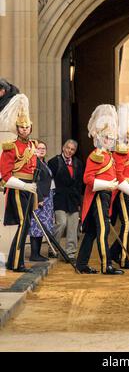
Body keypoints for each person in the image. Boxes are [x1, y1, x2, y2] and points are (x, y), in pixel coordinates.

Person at [76, 104, 123, 275]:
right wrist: (107, 185)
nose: (111, 141)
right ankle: (106, 265)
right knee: (103, 230)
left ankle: (81, 264)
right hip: (97, 196)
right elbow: (87, 179)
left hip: (105, 196)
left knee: (92, 232)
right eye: (109, 138)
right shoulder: (96, 155)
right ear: (102, 138)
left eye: (112, 138)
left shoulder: (108, 156)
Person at [0, 110, 38, 272]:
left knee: (25, 225)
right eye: (21, 127)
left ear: (30, 128)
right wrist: (24, 186)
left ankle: (13, 262)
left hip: (30, 188)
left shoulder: (33, 145)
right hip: (18, 188)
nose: (24, 129)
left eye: (27, 127)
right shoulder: (11, 147)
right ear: (17, 129)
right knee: (24, 224)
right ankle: (16, 263)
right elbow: (6, 175)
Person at [110, 103, 129, 269]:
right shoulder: (122, 152)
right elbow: (119, 175)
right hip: (123, 191)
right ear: (127, 137)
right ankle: (122, 259)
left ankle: (113, 252)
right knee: (128, 224)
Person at [48, 139, 83, 262]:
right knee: (61, 223)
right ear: (63, 148)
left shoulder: (78, 163)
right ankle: (53, 248)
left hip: (73, 199)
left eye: (72, 149)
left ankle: (71, 253)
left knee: (73, 226)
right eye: (68, 148)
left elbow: (80, 183)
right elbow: (49, 181)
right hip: (59, 198)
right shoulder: (53, 162)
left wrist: (79, 201)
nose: (69, 151)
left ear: (75, 151)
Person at [29, 141, 54, 262]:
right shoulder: (35, 163)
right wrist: (39, 198)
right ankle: (34, 254)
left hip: (47, 198)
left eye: (44, 148)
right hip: (40, 198)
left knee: (42, 227)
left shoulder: (43, 163)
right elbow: (35, 182)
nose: (42, 150)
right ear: (34, 150)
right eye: (39, 148)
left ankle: (37, 253)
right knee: (36, 225)